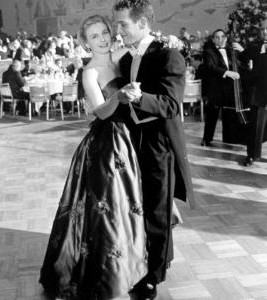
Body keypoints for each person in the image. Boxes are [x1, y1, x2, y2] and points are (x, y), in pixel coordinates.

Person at [39, 15, 147, 300]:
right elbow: (99, 111)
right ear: (85, 42)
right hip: (108, 143)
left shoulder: (121, 54)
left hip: (132, 137)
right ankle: (108, 272)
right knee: (108, 208)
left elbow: (143, 45)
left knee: (130, 204)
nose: (102, 39)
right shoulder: (88, 72)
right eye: (95, 36)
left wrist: (163, 41)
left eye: (105, 33)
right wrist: (120, 95)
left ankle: (134, 264)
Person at [113, 1, 195, 299]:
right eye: (117, 24)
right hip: (131, 141)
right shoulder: (124, 60)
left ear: (143, 24)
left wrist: (138, 97)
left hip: (159, 143)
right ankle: (147, 258)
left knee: (158, 212)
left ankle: (153, 277)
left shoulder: (168, 56)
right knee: (138, 205)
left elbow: (171, 105)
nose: (118, 30)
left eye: (123, 24)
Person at [234, 19, 267, 166]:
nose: (265, 32)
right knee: (255, 126)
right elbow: (242, 58)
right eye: (263, 29)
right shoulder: (255, 48)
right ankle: (252, 156)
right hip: (258, 94)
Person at [200, 29, 241, 146]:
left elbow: (237, 64)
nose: (220, 39)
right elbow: (210, 67)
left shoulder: (231, 51)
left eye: (222, 36)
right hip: (215, 88)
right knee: (212, 114)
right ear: (213, 40)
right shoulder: (208, 52)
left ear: (226, 38)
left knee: (228, 114)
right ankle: (207, 138)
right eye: (217, 37)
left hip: (229, 88)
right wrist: (227, 72)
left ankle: (228, 139)